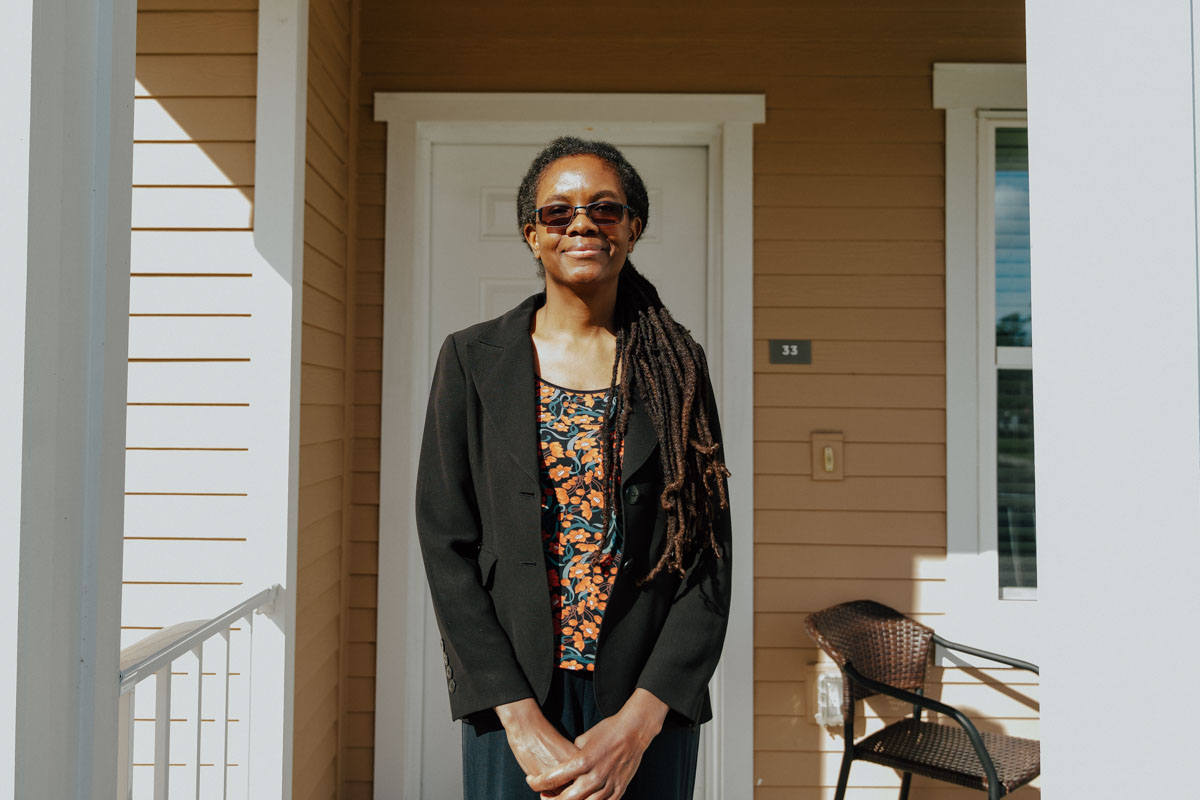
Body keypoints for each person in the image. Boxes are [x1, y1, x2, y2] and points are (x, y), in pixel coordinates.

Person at [414, 136, 732, 800]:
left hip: (645, 704)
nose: (582, 223)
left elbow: (707, 559)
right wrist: (516, 715)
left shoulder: (675, 366)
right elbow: (448, 546)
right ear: (533, 234)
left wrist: (641, 723)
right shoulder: (473, 360)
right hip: (517, 696)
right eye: (558, 213)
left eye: (605, 209)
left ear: (632, 229)